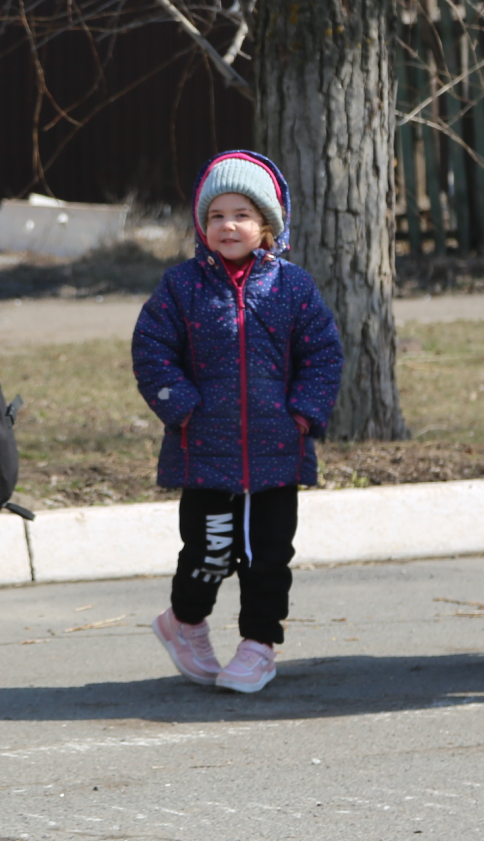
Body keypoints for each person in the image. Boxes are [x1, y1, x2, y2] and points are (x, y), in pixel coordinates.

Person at [131, 151, 343, 694]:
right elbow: (152, 350)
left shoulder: (292, 288)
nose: (229, 225)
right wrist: (181, 407)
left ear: (268, 225)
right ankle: (185, 622)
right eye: (217, 215)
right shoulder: (182, 288)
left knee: (269, 556)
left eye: (243, 214)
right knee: (208, 552)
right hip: (206, 450)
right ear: (203, 226)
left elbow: (323, 353)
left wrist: (304, 413)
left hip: (277, 451)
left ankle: (258, 644)